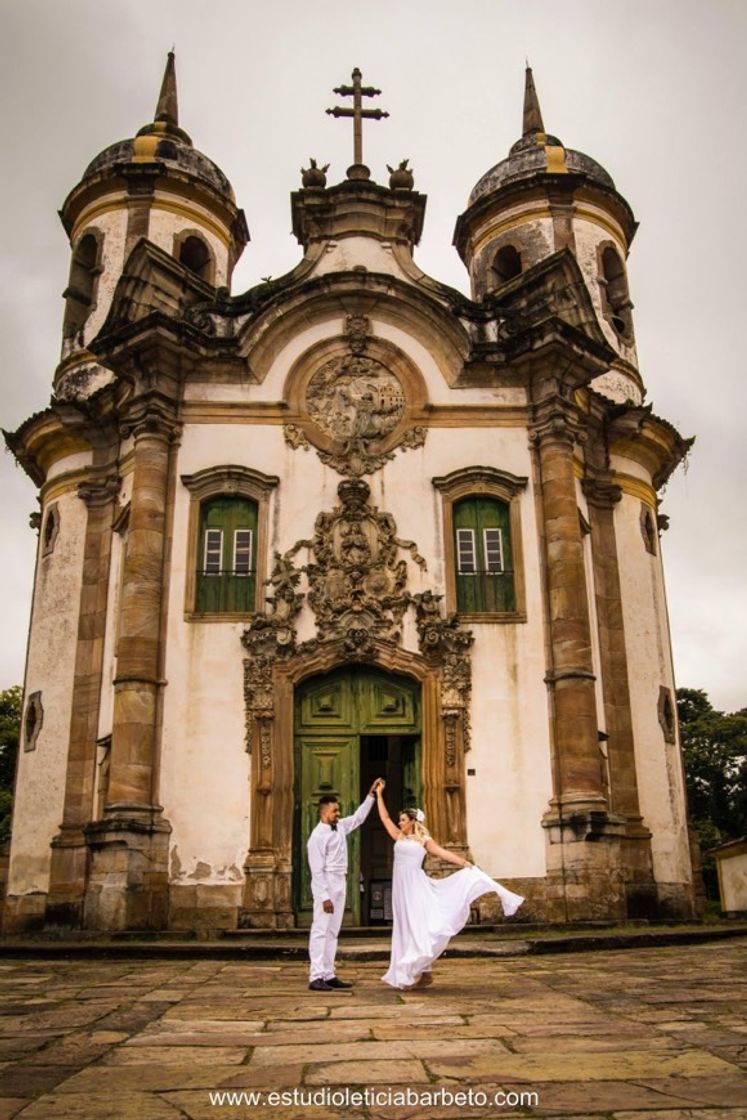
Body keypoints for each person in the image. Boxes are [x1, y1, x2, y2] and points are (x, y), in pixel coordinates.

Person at [373, 779, 524, 990]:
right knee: (406, 926)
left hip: (415, 886)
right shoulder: (398, 836)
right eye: (400, 820)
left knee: (419, 926)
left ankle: (417, 972)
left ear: (413, 822)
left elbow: (442, 852)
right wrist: (379, 795)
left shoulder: (423, 840)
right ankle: (424, 974)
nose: (400, 823)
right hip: (401, 889)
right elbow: (384, 817)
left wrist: (464, 862)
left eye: (403, 820)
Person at [306, 780, 381, 991]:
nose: (338, 813)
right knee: (320, 929)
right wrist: (323, 896)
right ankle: (316, 975)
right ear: (324, 813)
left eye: (338, 810)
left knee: (333, 931)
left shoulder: (339, 828)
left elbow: (358, 818)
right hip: (327, 883)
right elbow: (316, 870)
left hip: (341, 880)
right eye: (334, 810)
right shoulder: (317, 837)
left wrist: (371, 795)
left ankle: (328, 973)